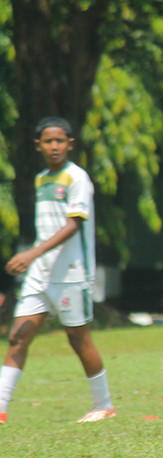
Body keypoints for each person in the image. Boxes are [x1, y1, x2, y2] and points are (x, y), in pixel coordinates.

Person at [0, 117, 114, 424]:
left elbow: (73, 225)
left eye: (60, 141)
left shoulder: (77, 178)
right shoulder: (41, 179)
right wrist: (34, 259)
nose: (54, 146)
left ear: (70, 144)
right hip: (41, 274)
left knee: (78, 339)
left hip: (71, 274)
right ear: (38, 145)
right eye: (48, 141)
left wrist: (32, 253)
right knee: (17, 338)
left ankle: (104, 405)